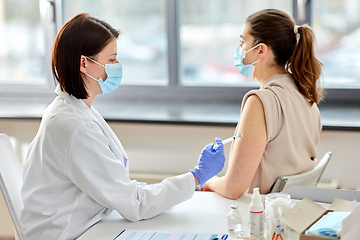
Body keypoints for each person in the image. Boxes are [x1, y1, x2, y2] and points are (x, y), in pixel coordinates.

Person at [20, 13, 225, 240]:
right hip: (68, 233)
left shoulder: (75, 110)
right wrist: (196, 177)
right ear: (84, 63)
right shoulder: (73, 125)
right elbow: (134, 204)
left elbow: (121, 189)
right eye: (111, 60)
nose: (117, 66)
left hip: (89, 222)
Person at [200, 9, 322, 199]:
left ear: (261, 50)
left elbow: (233, 188)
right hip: (285, 214)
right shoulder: (305, 95)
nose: (239, 49)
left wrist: (206, 179)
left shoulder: (259, 102)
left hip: (257, 218)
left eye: (242, 42)